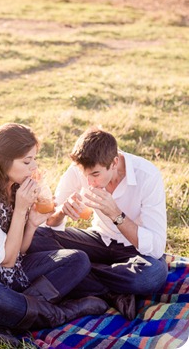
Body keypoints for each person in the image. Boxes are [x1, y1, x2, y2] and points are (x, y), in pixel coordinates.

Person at [0, 123, 108, 345]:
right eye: (27, 161)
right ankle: (63, 313)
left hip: (9, 276)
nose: (33, 166)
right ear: (3, 160)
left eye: (34, 159)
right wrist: (20, 210)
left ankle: (5, 319)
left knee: (78, 260)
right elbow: (7, 259)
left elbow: (19, 252)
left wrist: (31, 224)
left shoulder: (14, 187)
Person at [27, 127, 168, 320]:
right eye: (84, 175)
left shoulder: (147, 176)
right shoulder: (81, 169)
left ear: (114, 162)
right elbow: (50, 221)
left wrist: (116, 214)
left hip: (134, 249)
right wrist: (62, 211)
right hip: (99, 240)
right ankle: (111, 292)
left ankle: (80, 271)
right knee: (34, 237)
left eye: (95, 174)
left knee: (152, 275)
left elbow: (156, 247)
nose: (89, 182)